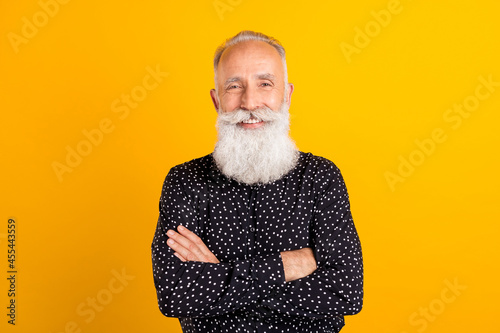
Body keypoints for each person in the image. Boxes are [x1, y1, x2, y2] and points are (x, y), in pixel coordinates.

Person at [151, 30, 363, 333]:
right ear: (216, 100)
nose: (249, 102)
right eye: (234, 86)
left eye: (265, 84)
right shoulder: (185, 182)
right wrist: (288, 265)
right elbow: (176, 295)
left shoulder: (321, 177)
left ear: (287, 95)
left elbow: (345, 292)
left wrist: (219, 277)